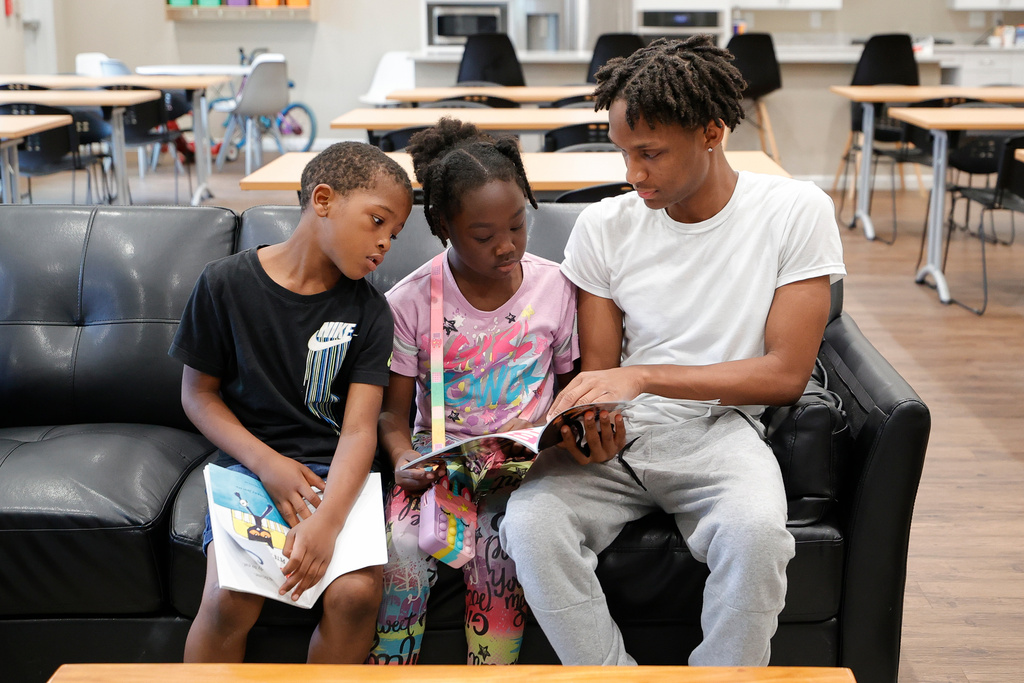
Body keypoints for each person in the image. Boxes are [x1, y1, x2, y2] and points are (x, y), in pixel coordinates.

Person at [499, 35, 847, 667]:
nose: (633, 175)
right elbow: (602, 373)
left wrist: (642, 379)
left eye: (651, 153)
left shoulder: (795, 210)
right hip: (625, 440)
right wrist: (587, 426)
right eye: (624, 153)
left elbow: (785, 374)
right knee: (527, 524)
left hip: (721, 431)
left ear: (712, 131)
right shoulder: (605, 226)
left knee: (757, 535)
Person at [169, 141, 414, 664]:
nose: (385, 243)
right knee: (231, 599)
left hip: (337, 474)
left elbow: (358, 431)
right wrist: (268, 464)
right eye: (377, 221)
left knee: (357, 595)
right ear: (322, 200)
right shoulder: (224, 284)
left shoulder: (371, 312)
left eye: (394, 233)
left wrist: (327, 523)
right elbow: (198, 395)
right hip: (247, 467)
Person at [367, 117, 579, 665]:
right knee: (402, 554)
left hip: (524, 466)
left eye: (518, 225)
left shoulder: (555, 287)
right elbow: (391, 416)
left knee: (504, 558)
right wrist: (402, 458)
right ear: (442, 226)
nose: (506, 246)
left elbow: (570, 386)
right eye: (484, 237)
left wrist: (556, 433)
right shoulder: (410, 302)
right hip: (440, 465)